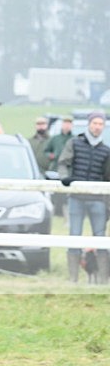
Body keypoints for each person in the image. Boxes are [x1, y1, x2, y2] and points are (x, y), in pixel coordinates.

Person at [57, 111, 110, 284]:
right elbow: (63, 163)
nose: (97, 127)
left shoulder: (106, 151)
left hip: (97, 200)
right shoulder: (74, 143)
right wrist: (65, 178)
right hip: (77, 198)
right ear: (89, 124)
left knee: (100, 238)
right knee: (74, 236)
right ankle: (73, 280)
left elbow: (107, 176)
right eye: (95, 123)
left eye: (100, 124)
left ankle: (103, 281)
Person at [44, 115, 73, 216]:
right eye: (65, 123)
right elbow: (46, 151)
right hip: (55, 169)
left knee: (67, 196)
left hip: (69, 172)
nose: (67, 126)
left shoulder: (75, 139)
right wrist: (51, 155)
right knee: (53, 195)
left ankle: (67, 218)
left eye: (69, 123)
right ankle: (51, 215)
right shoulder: (55, 139)